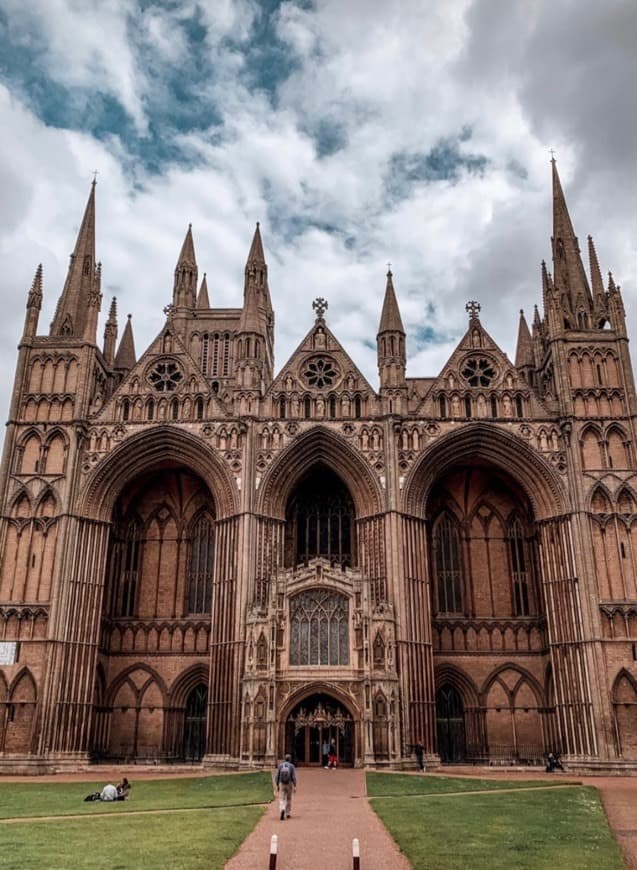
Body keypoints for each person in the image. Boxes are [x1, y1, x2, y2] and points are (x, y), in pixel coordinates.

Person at [275, 754, 297, 820]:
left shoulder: (280, 766)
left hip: (282, 783)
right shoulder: (291, 766)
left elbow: (277, 776)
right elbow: (293, 777)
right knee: (289, 798)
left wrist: (277, 785)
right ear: (290, 759)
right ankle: (287, 813)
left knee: (282, 798)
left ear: (284, 759)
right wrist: (295, 785)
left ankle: (282, 809)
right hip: (289, 783)